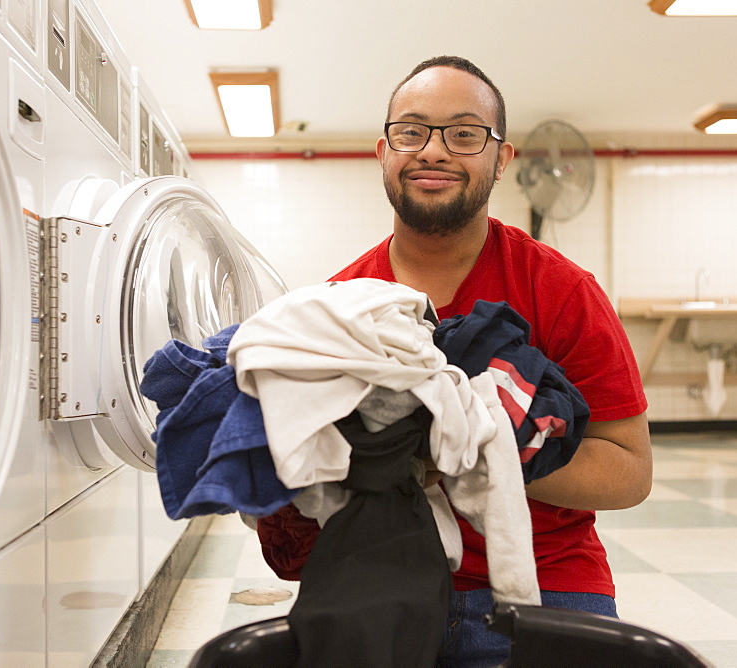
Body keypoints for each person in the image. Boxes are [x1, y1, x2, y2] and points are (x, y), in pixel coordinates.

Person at [256, 55, 652, 667]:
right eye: (411, 131)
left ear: (502, 159)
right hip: (380, 582)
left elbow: (629, 472)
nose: (433, 152)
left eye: (465, 134)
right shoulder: (339, 306)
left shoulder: (561, 290)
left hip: (548, 583)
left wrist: (473, 445)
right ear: (384, 152)